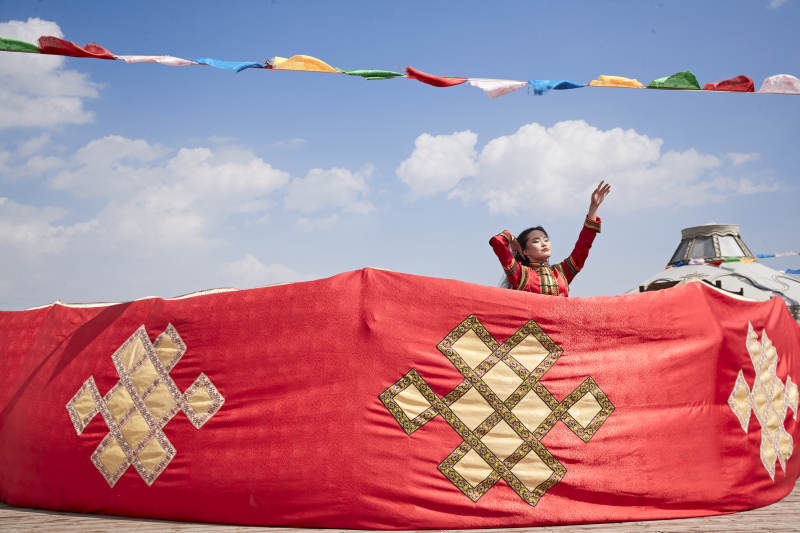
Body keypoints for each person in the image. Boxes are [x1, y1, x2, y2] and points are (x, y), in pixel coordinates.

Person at [490, 181, 611, 296]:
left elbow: (583, 245)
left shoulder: (562, 272)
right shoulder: (520, 274)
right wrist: (512, 240)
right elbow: (497, 241)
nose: (544, 243)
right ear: (525, 251)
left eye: (546, 239)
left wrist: (593, 207)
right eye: (536, 241)